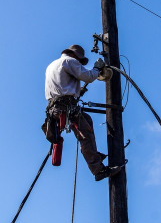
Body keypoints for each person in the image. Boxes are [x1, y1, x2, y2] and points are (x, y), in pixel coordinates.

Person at [45, 44, 122, 181]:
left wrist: (77, 91)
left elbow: (62, 85)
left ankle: (93, 153)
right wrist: (97, 69)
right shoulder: (70, 61)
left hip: (55, 108)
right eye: (80, 61)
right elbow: (88, 76)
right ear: (75, 55)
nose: (79, 63)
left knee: (87, 120)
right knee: (85, 136)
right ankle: (98, 170)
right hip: (66, 107)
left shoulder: (52, 65)